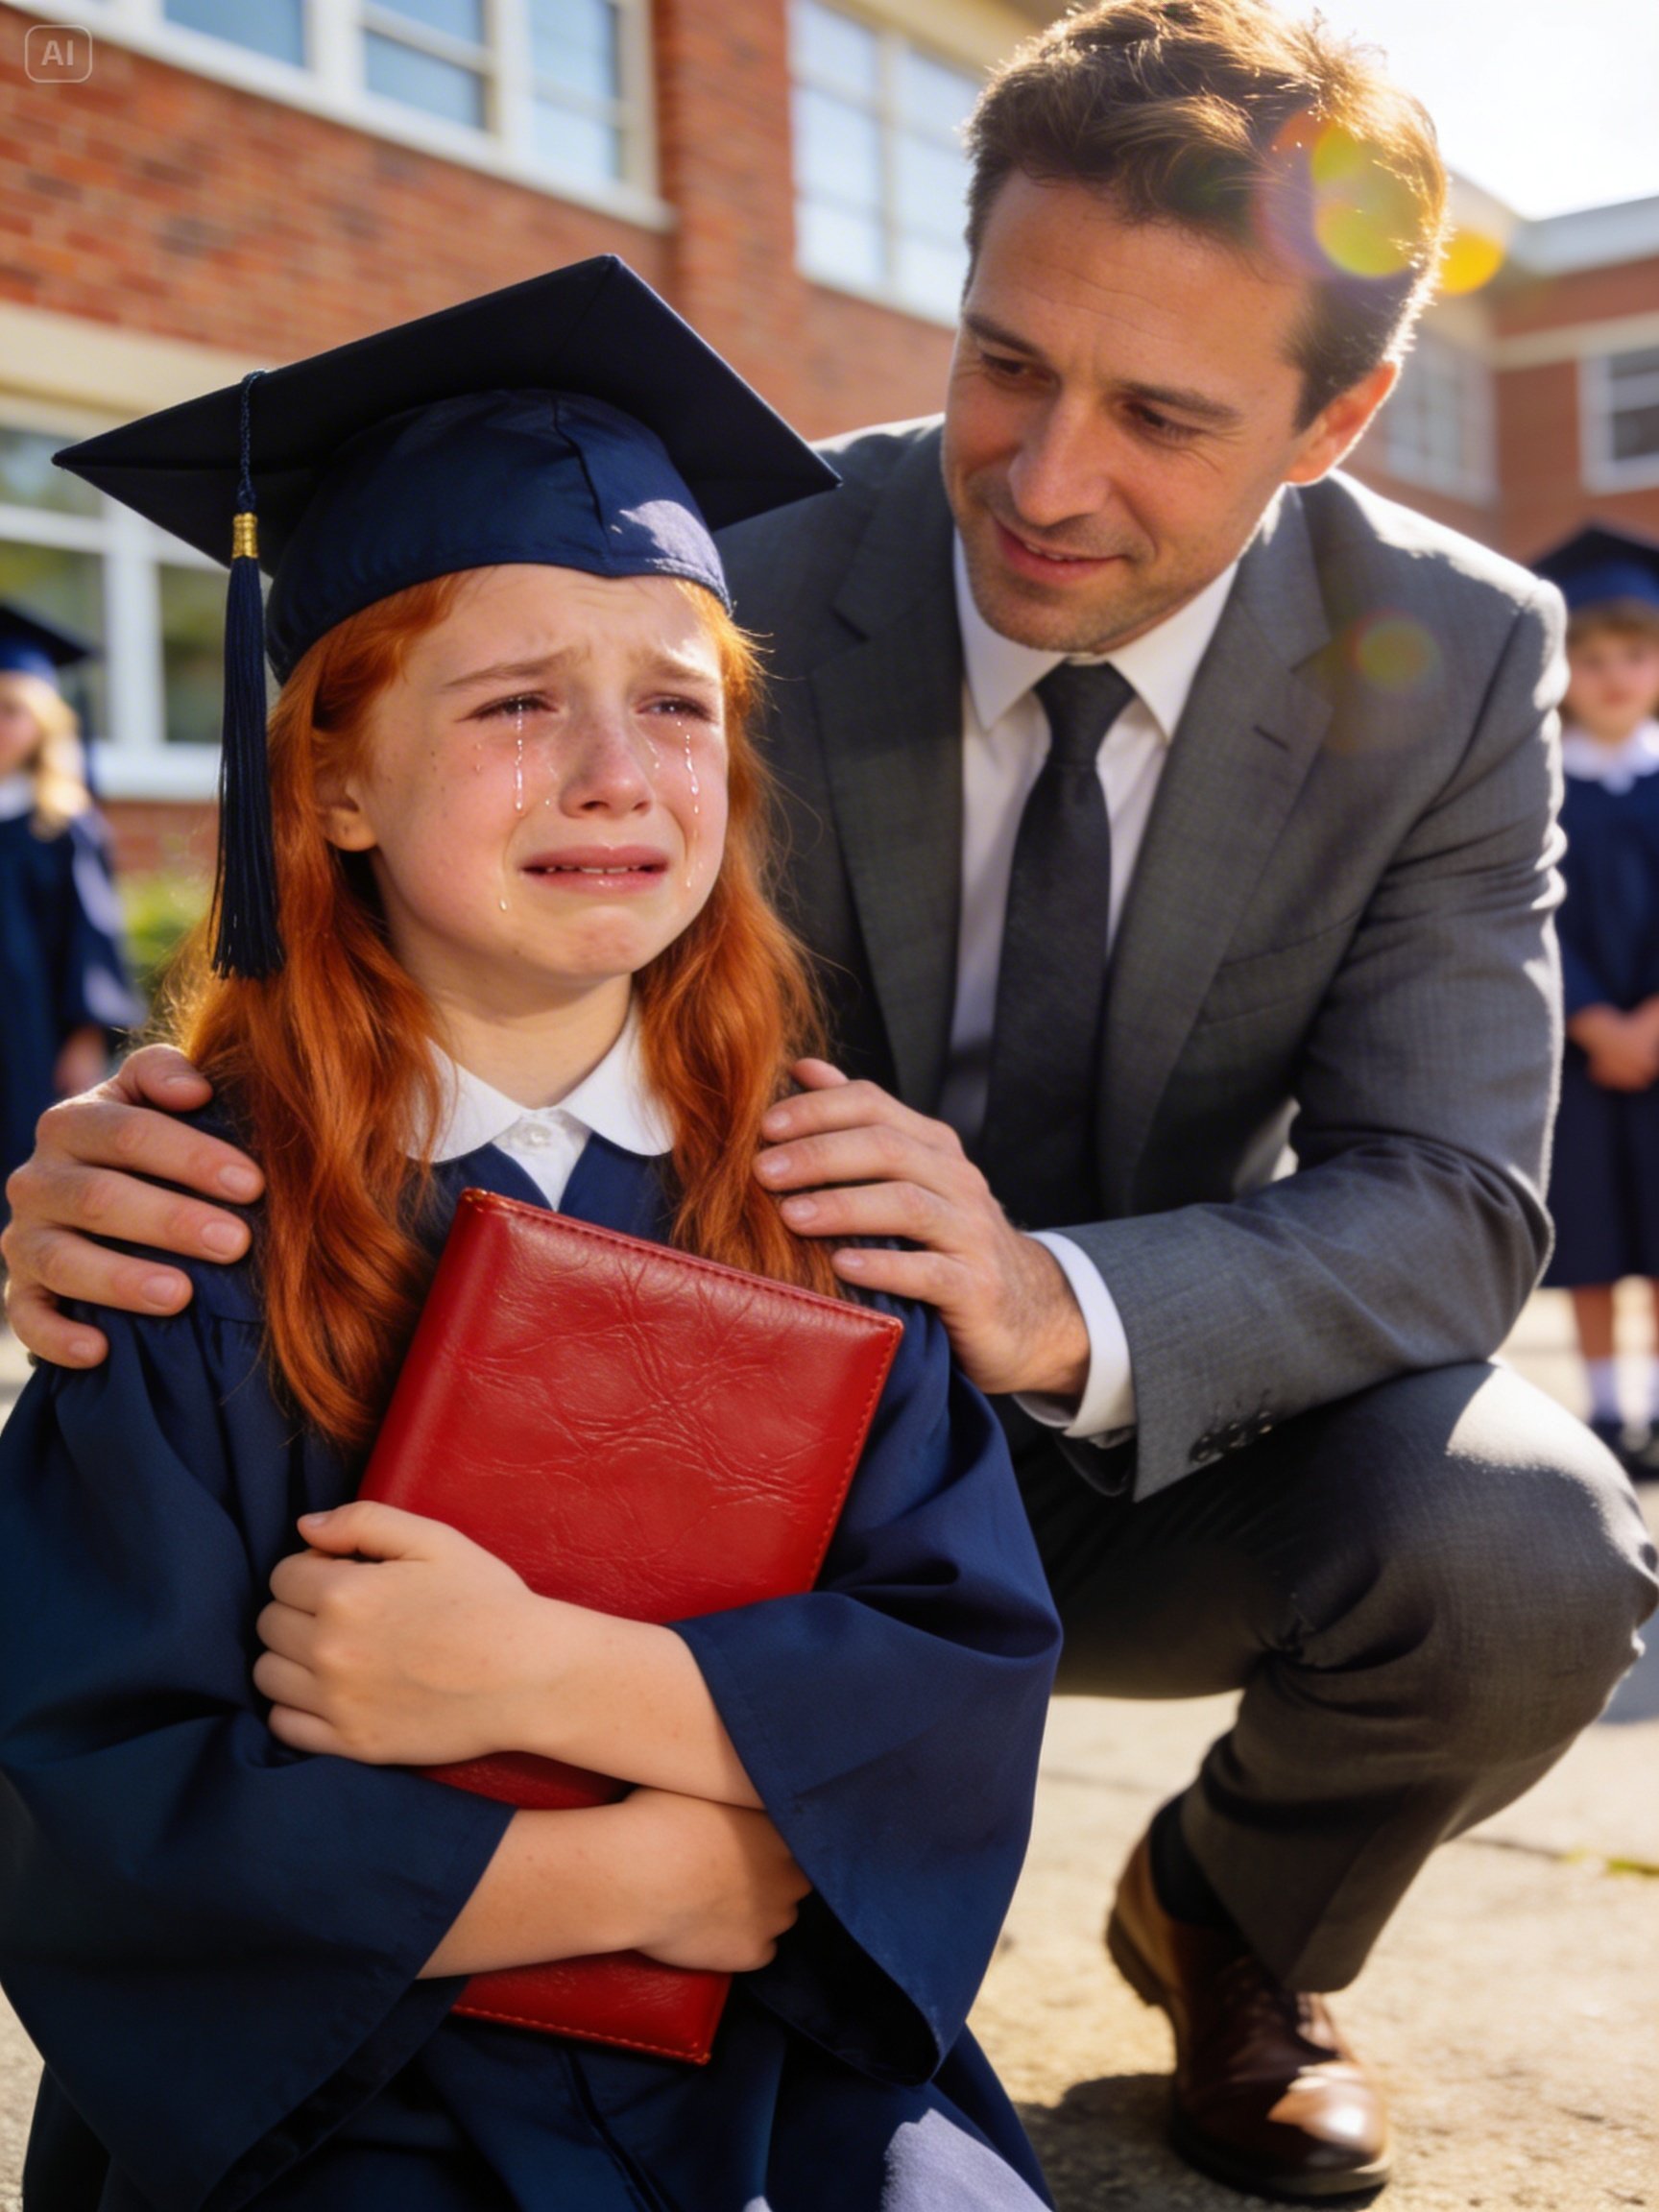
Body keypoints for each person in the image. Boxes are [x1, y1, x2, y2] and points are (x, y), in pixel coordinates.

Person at [7, 1, 1659, 2199]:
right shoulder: (704, 560)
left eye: (1160, 413)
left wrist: (1026, 1300)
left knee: (1523, 1537)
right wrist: (167, 1134)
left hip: (1048, 1402)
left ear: (1336, 419)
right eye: (1004, 362)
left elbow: (1449, 1193)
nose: (1044, 477)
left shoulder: (1444, 655)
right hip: (679, 1416)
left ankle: (1228, 1927)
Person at [0, 260, 1062, 2212]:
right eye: (514, 702)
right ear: (324, 775)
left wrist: (542, 1682)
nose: (612, 770)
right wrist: (642, 1868)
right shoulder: (186, 1229)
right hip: (338, 2101)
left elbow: (961, 1676)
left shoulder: (820, 1201)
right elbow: (88, 1783)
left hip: (770, 2066)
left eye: (675, 703)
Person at [1532, 525, 1659, 1475]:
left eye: (1637, 655)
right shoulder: (1533, 789)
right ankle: (1610, 1411)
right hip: (1576, 1055)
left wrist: (1650, 1022)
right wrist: (1594, 1020)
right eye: (1593, 658)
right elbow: (1529, 915)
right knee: (1595, 1237)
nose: (1615, 676)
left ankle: (1653, 1405)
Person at [0, 602, 140, 1222]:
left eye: (11, 710)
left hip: (30, 1032)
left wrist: (85, 1037)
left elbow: (91, 937)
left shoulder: (60, 824)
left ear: (44, 722)